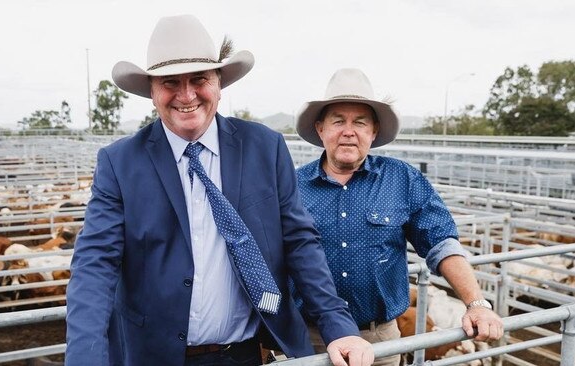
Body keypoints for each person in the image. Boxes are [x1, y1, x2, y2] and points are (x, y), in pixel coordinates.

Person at [65, 15, 374, 366]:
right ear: (151, 91)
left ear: (219, 83)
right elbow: (94, 265)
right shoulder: (120, 163)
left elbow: (300, 242)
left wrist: (339, 326)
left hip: (242, 353)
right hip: (154, 356)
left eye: (199, 79)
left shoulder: (264, 147)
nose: (186, 95)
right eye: (170, 82)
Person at [292, 68, 504, 365]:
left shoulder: (402, 179)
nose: (348, 131)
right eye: (338, 121)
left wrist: (477, 303)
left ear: (374, 131)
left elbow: (441, 242)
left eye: (360, 122)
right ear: (320, 129)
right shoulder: (291, 185)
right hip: (311, 338)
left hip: (379, 338)